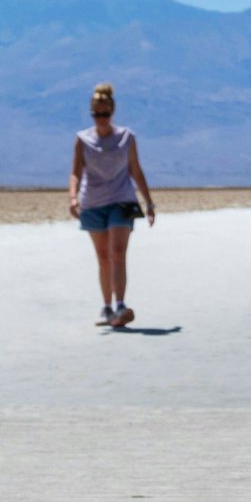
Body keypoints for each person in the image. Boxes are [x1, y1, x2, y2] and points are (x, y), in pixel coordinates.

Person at [69, 83, 155, 327]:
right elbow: (75, 172)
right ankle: (107, 308)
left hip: (122, 200)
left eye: (105, 113)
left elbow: (136, 171)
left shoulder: (126, 138)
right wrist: (72, 197)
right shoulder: (82, 139)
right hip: (92, 203)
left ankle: (120, 305)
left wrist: (148, 202)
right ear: (91, 113)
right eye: (97, 114)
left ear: (112, 112)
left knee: (117, 253)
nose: (101, 118)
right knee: (103, 257)